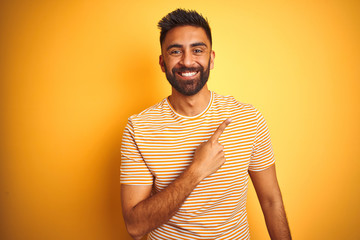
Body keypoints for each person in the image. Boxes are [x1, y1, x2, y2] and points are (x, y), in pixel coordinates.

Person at [120, 8, 291, 240]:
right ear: (162, 62)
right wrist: (196, 171)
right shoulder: (139, 128)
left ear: (211, 59)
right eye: (175, 51)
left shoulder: (248, 119)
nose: (187, 61)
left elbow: (271, 201)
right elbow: (135, 227)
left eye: (197, 50)